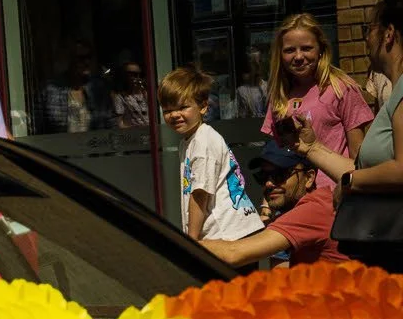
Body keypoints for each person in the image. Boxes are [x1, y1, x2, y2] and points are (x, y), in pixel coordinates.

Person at [295, 0, 403, 210]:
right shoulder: (394, 95)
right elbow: (363, 169)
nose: (366, 39)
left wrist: (350, 182)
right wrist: (312, 147)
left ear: (389, 34)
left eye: (369, 29)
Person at [263, 13, 372, 189]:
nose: (298, 56)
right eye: (290, 50)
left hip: (333, 195)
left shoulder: (341, 88)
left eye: (306, 48)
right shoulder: (279, 96)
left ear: (320, 49)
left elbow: (359, 158)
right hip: (294, 201)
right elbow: (274, 158)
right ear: (280, 55)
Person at [161, 64, 264, 243]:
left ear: (203, 107)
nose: (174, 115)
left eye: (183, 107)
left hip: (227, 235)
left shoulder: (202, 142)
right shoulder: (191, 141)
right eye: (168, 110)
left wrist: (191, 240)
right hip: (232, 232)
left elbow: (200, 194)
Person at [198, 142, 341, 266]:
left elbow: (234, 253)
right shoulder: (321, 202)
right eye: (263, 176)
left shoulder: (311, 211)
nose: (268, 183)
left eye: (280, 175)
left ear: (309, 177)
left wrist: (184, 245)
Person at [38, 42, 110, 134]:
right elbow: (39, 125)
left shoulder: (98, 88)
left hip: (93, 145)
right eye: (81, 58)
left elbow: (109, 122)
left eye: (89, 57)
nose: (86, 62)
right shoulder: (51, 90)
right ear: (70, 60)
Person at [110, 59, 151, 128]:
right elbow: (119, 123)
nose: (137, 78)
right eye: (132, 74)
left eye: (139, 75)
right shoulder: (120, 96)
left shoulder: (145, 93)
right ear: (125, 75)